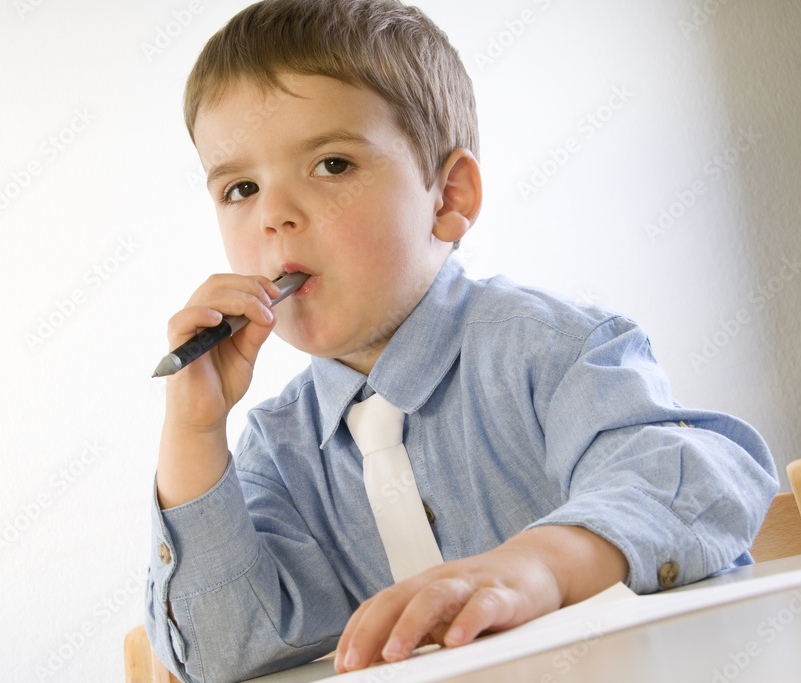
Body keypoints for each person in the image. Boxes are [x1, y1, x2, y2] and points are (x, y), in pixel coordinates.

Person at [143, 1, 778, 682]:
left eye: (331, 164)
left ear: (449, 198)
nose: (275, 215)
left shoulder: (555, 350)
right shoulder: (279, 449)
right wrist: (194, 432)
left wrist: (538, 567)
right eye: (241, 188)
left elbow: (700, 476)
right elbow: (224, 650)